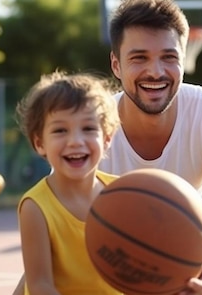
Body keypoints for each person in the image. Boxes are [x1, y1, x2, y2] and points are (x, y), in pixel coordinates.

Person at [13, 0, 202, 295]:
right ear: (116, 65)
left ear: (184, 61)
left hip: (183, 264)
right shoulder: (92, 131)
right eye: (139, 57)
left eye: (169, 57)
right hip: (113, 268)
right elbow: (57, 251)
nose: (155, 72)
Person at [15, 71, 122, 294]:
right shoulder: (36, 207)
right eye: (60, 130)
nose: (75, 141)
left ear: (107, 138)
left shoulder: (124, 195)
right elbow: (40, 286)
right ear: (39, 143)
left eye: (88, 129)